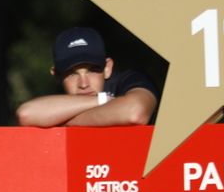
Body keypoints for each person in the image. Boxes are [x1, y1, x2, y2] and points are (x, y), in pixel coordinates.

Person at [16, 26, 159, 127]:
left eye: (92, 70)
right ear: (57, 75)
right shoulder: (61, 101)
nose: (83, 84)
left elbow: (135, 112)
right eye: (72, 74)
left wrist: (63, 121)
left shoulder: (130, 80)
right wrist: (102, 100)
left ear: (107, 68)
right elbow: (26, 114)